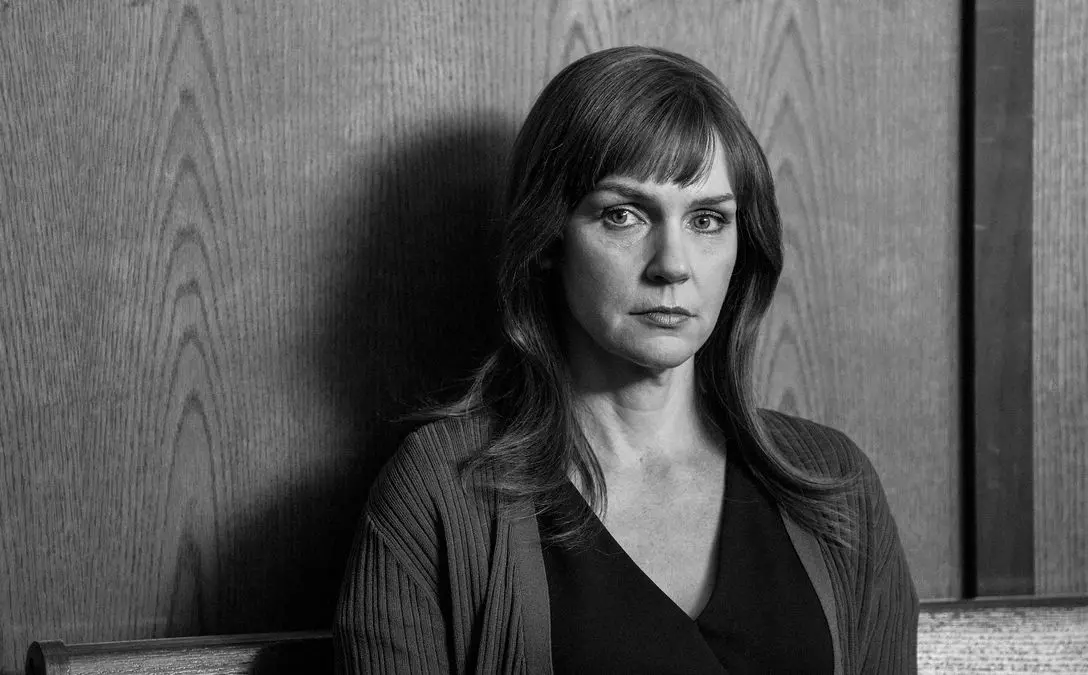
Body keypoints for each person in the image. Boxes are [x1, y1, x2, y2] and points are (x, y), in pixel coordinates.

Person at [334, 45, 918, 674]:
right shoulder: (440, 495)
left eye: (707, 220)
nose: (673, 265)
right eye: (623, 215)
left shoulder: (834, 485)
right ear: (548, 238)